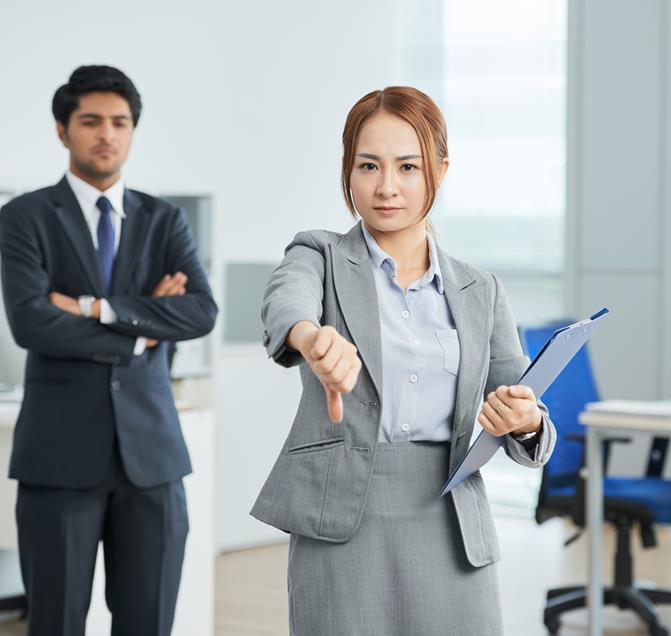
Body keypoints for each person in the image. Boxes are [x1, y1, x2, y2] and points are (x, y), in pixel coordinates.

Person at [252, 86, 556, 635]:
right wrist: (309, 337)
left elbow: (523, 405)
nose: (386, 187)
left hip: (450, 517)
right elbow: (285, 301)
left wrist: (528, 421)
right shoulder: (319, 254)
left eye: (408, 167)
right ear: (347, 171)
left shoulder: (479, 288)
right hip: (342, 517)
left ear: (440, 169)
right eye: (368, 165)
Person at [0, 65, 218, 636]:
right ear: (62, 130)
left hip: (153, 460)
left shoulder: (163, 219)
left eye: (120, 122)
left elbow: (200, 312)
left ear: (132, 131)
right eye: (90, 120)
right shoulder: (23, 218)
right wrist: (146, 327)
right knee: (56, 623)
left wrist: (98, 309)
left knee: (149, 623)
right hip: (59, 459)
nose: (106, 134)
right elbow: (32, 323)